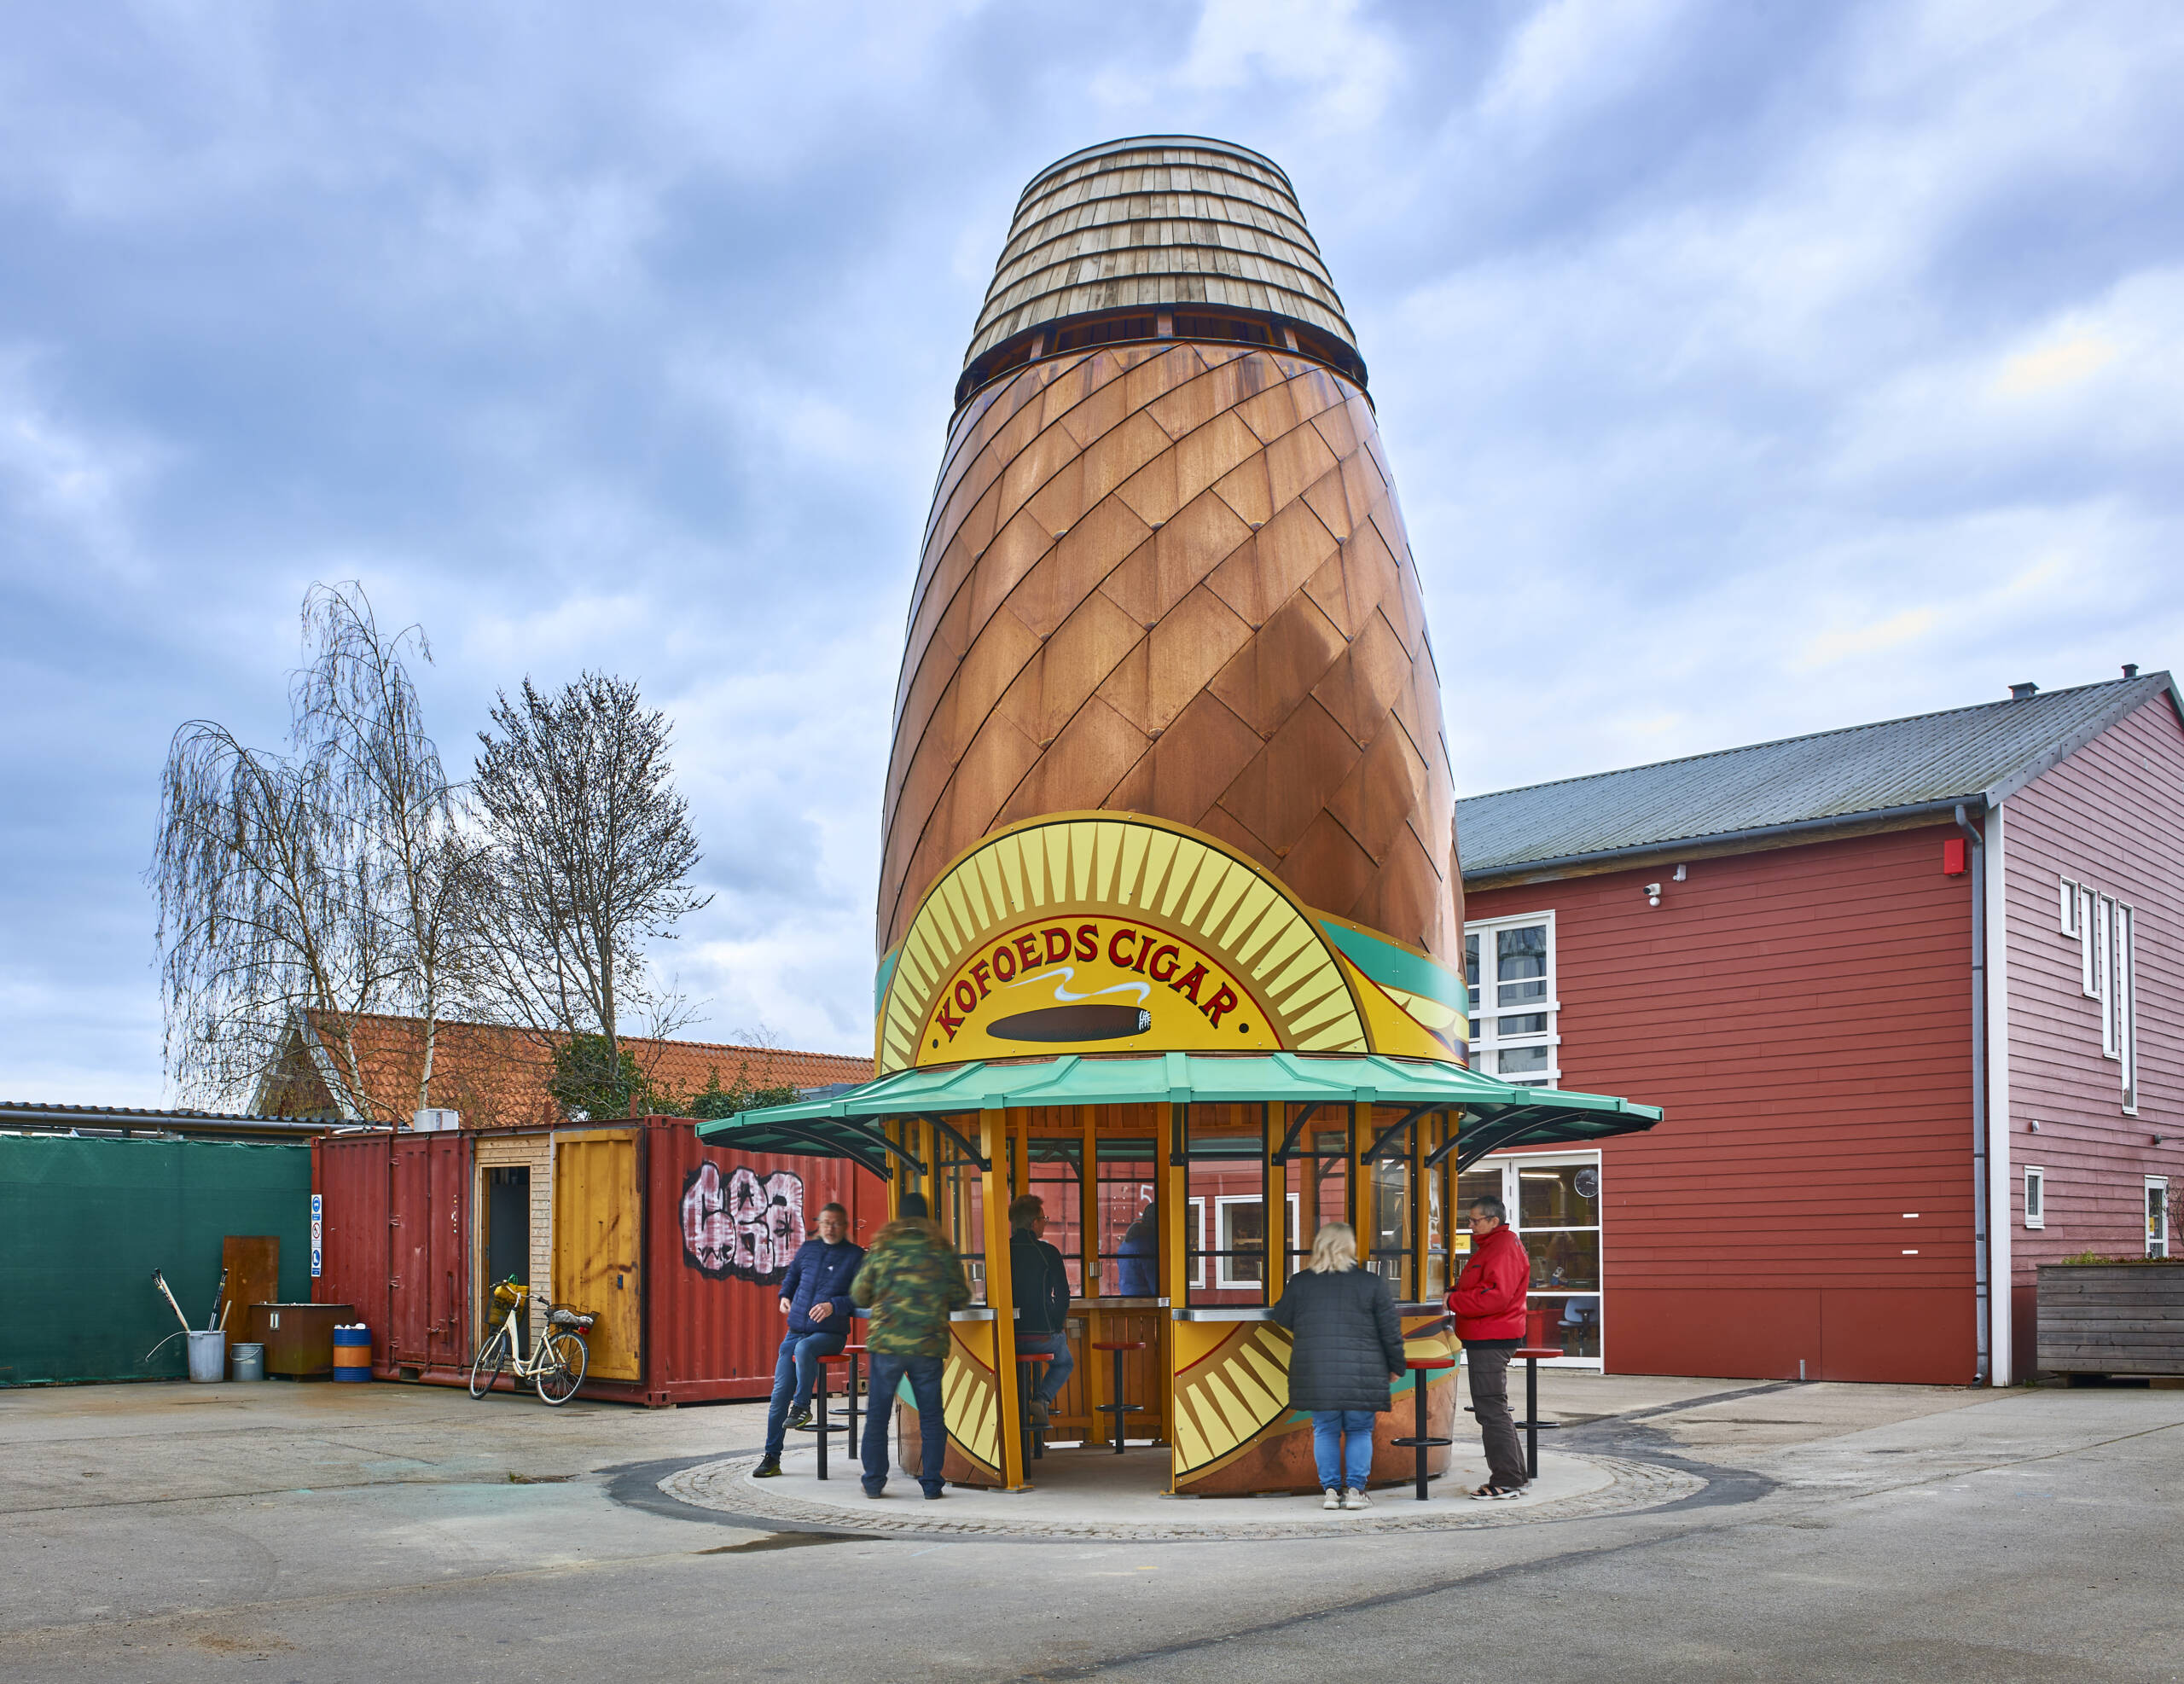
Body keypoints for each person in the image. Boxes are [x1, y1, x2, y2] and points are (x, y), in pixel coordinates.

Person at [1265, 1221, 1405, 1512]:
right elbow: (1390, 1330)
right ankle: (1355, 1491)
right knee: (1359, 1430)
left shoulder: (1301, 1282)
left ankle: (1330, 1492)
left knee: (1325, 1429)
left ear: (1319, 1246)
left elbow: (1282, 1316)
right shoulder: (1370, 1282)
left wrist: (1309, 1328)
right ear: (1350, 1247)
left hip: (1317, 1369)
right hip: (1364, 1370)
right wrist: (1396, 1366)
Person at [851, 1190, 971, 1500]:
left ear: (900, 1218)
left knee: (878, 1415)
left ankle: (874, 1482)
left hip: (887, 1345)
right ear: (926, 1217)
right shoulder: (940, 1250)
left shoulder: (883, 1248)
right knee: (931, 1416)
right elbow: (960, 1297)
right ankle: (931, 1485)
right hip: (927, 1345)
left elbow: (859, 1294)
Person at [752, 1202, 865, 1478]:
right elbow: (792, 1277)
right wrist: (784, 1296)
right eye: (826, 1223)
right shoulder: (808, 1249)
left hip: (830, 1334)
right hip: (796, 1330)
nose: (830, 1228)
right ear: (819, 1224)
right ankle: (772, 1458)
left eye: (836, 1223)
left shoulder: (855, 1256)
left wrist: (833, 1305)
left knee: (804, 1349)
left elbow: (863, 1295)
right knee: (778, 1397)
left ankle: (802, 1406)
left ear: (844, 1226)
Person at [1449, 1193, 1529, 1499]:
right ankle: (1515, 1476)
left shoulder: (1502, 1247)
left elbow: (1495, 1296)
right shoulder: (1494, 1246)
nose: (1470, 1225)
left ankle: (1506, 1481)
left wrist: (1453, 1300)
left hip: (1491, 1337)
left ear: (1494, 1220)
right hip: (1488, 1335)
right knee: (1494, 1408)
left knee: (1491, 1410)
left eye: (1475, 1220)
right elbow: (1485, 1288)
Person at [1008, 1193, 1074, 1429]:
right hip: (1041, 1337)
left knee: (1016, 1368)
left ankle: (1017, 1412)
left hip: (1008, 1338)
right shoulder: (1048, 1252)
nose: (1046, 1223)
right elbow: (1063, 1295)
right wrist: (1054, 1326)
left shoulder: (1002, 1251)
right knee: (1064, 1362)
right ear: (1034, 1223)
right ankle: (1041, 1399)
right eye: (1044, 1219)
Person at [1114, 1208, 1157, 1297]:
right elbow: (1154, 1280)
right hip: (1144, 1298)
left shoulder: (1127, 1242)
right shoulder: (1146, 1244)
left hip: (1127, 1295)